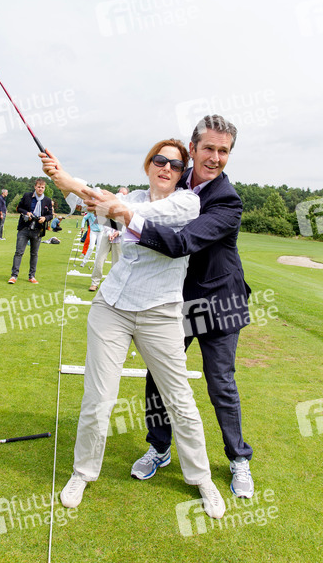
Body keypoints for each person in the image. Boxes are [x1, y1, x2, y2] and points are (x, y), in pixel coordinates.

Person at [40, 139, 226, 520]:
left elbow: (135, 213)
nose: (166, 168)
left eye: (176, 165)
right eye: (160, 160)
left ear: (183, 173)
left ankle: (202, 477)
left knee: (180, 401)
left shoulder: (187, 203)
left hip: (161, 313)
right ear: (148, 164)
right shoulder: (132, 197)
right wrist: (64, 180)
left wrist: (88, 190)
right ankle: (82, 472)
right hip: (112, 307)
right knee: (98, 399)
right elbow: (94, 207)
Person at [85, 115, 254, 499]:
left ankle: (238, 458)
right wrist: (97, 199)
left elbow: (181, 243)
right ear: (192, 149)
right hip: (173, 299)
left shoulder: (227, 199)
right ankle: (159, 447)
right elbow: (140, 207)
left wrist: (122, 213)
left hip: (220, 301)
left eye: (223, 151)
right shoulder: (174, 177)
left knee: (220, 383)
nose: (215, 158)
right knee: (157, 378)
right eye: (208, 148)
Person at [8, 179, 53, 284]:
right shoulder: (27, 196)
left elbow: (50, 215)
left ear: (44, 188)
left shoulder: (47, 200)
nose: (40, 189)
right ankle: (14, 276)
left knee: (34, 254)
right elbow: (19, 208)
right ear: (35, 187)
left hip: (38, 230)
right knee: (19, 252)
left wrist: (45, 218)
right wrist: (27, 213)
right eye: (39, 187)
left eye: (42, 187)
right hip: (24, 228)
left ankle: (32, 276)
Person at [88, 187, 128, 292]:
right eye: (120, 193)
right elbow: (103, 219)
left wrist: (118, 233)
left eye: (124, 194)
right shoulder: (110, 205)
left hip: (119, 238)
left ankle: (114, 285)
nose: (121, 196)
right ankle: (95, 282)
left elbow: (128, 226)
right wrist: (109, 233)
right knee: (99, 260)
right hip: (107, 235)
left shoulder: (128, 208)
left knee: (117, 263)